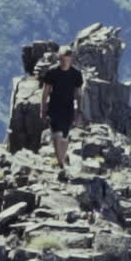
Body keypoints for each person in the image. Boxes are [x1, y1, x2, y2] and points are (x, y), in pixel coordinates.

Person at [40, 46, 83, 177]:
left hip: (68, 109)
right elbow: (45, 91)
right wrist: (43, 108)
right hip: (54, 108)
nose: (65, 62)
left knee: (64, 137)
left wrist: (79, 111)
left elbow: (79, 94)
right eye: (62, 59)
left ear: (71, 59)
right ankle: (61, 165)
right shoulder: (52, 72)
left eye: (67, 59)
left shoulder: (76, 74)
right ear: (59, 58)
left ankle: (62, 161)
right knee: (56, 135)